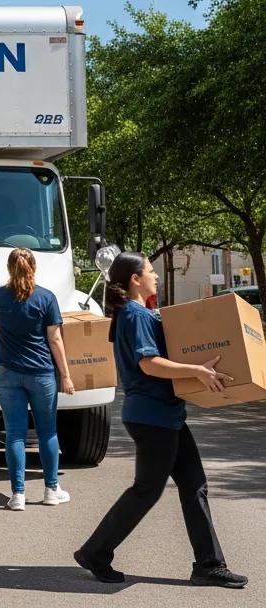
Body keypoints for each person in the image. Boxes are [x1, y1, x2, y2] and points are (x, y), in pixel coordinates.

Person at [74, 251, 247, 588]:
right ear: (135, 279)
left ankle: (209, 565)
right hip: (152, 418)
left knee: (194, 486)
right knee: (146, 491)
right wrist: (197, 371)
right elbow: (148, 363)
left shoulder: (137, 314)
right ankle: (95, 551)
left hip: (165, 415)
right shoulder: (135, 315)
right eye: (151, 271)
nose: (156, 277)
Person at [0, 247, 74, 511]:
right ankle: (50, 490)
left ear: (9, 268)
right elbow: (55, 340)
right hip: (41, 373)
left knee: (14, 434)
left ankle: (18, 495)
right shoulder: (46, 298)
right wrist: (66, 375)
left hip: (7, 373)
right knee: (47, 432)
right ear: (33, 267)